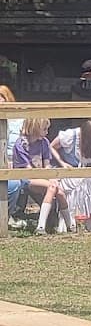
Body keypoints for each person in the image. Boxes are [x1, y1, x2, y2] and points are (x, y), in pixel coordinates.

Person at [12, 117, 75, 234]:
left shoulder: (44, 142)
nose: (47, 132)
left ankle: (70, 225)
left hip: (42, 176)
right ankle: (41, 227)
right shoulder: (21, 144)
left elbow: (47, 165)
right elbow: (28, 171)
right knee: (52, 187)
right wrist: (48, 180)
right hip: (26, 178)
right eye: (44, 129)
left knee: (59, 191)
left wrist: (51, 178)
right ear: (35, 128)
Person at [50, 119, 91, 230]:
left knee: (89, 180)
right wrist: (62, 162)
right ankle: (70, 221)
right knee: (80, 182)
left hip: (88, 185)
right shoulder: (71, 136)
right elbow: (52, 146)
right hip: (69, 180)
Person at [0, 84, 27, 228]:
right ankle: (5, 218)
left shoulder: (19, 120)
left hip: (17, 161)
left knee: (23, 180)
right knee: (13, 183)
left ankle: (10, 215)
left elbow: (25, 144)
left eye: (2, 97)